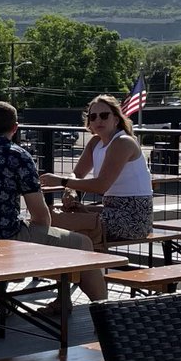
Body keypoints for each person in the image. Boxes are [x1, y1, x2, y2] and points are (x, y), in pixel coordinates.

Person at [0, 100, 107, 304]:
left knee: (42, 235)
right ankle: (106, 312)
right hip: (2, 243)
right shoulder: (17, 155)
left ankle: (41, 302)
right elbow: (40, 216)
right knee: (82, 243)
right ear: (15, 129)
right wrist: (40, 250)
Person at [41, 93, 153, 250]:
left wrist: (62, 181)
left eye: (104, 115)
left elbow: (101, 185)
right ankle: (77, 270)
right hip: (109, 210)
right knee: (50, 215)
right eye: (93, 117)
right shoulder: (95, 142)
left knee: (56, 221)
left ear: (116, 119)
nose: (98, 120)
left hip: (133, 219)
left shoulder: (123, 142)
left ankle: (80, 271)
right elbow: (77, 174)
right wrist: (70, 190)